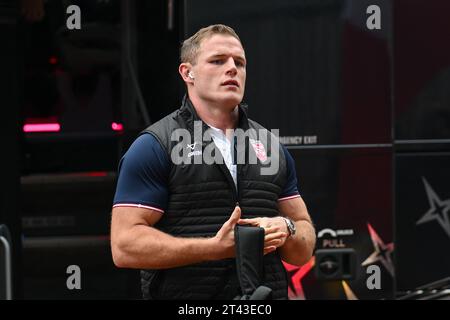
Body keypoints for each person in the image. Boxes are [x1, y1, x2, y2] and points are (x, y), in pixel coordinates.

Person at [110, 24, 316, 300]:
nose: (232, 68)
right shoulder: (154, 145)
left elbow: (303, 248)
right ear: (187, 72)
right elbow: (124, 247)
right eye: (218, 60)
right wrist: (214, 248)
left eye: (239, 63)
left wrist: (287, 228)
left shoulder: (271, 147)